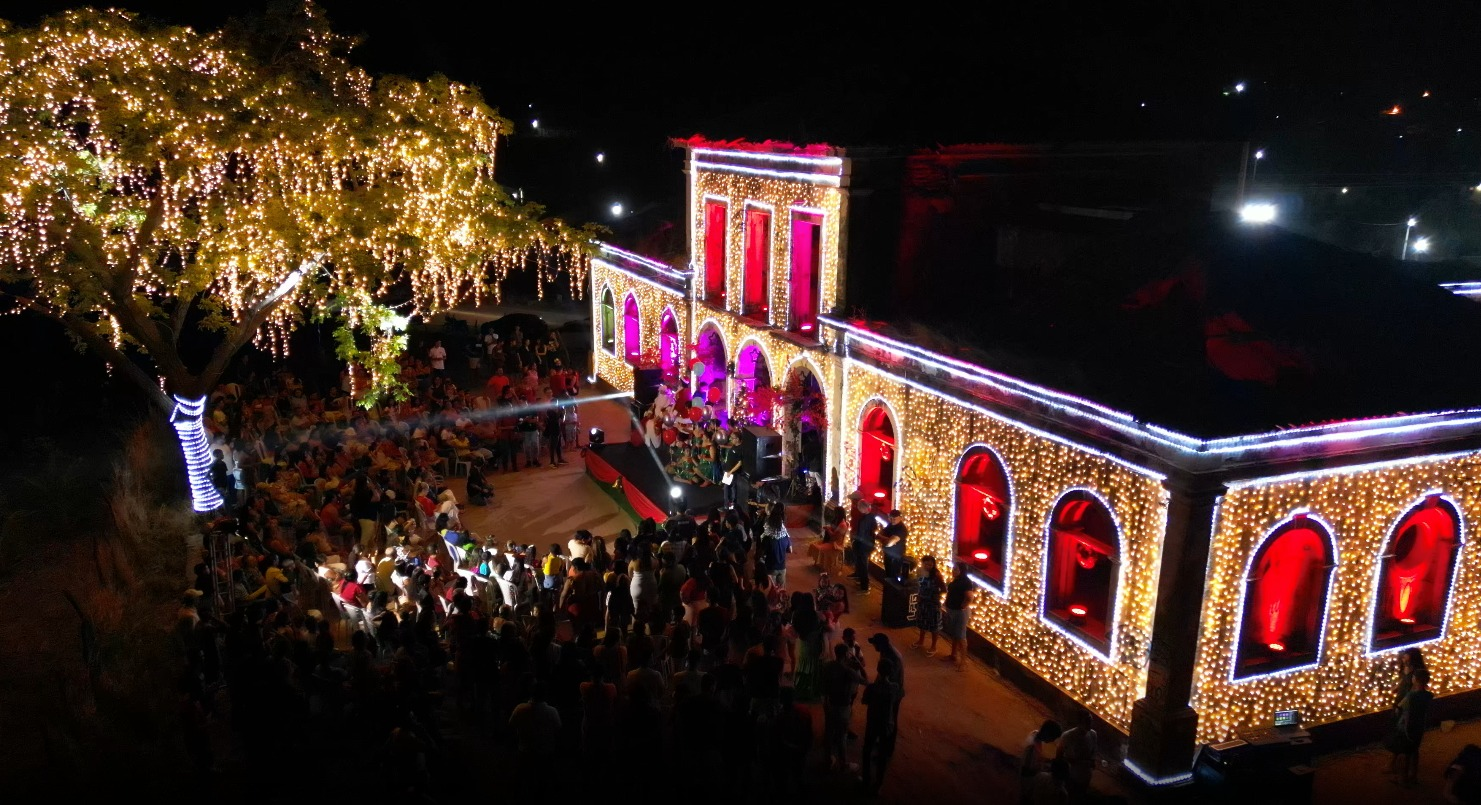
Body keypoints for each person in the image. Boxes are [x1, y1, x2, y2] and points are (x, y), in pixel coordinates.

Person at [822, 642, 867, 772]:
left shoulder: (827, 666)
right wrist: (859, 663)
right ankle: (843, 763)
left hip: (829, 703)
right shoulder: (848, 671)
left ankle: (828, 760)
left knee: (829, 733)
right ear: (846, 654)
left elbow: (823, 685)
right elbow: (866, 681)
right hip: (843, 706)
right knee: (842, 736)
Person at [860, 653, 900, 793]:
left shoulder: (872, 688)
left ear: (878, 670)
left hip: (873, 722)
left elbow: (864, 701)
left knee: (867, 750)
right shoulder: (894, 688)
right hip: (886, 724)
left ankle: (866, 780)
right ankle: (878, 784)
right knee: (882, 755)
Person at [1392, 668, 1434, 786]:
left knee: (1404, 753)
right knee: (1414, 750)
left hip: (1406, 727)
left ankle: (1402, 778)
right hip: (1419, 726)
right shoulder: (1428, 695)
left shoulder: (1411, 696)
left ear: (1415, 679)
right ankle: (1413, 776)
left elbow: (1399, 708)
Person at [1059, 707, 1097, 803]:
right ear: (1080, 722)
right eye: (1087, 721)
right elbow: (1059, 755)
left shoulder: (1093, 735)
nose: (1090, 724)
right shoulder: (1068, 736)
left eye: (1090, 721)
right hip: (1072, 776)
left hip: (1086, 777)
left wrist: (1091, 762)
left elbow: (1092, 753)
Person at [1021, 719, 1064, 803]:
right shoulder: (1032, 747)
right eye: (1053, 737)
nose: (1052, 741)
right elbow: (1025, 771)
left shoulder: (1035, 734)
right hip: (1028, 785)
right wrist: (1043, 773)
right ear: (1047, 733)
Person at [942, 563, 973, 669]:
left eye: (955, 569)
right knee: (955, 634)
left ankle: (963, 662)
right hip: (953, 610)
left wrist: (963, 606)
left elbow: (969, 597)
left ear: (961, 570)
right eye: (953, 569)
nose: (953, 571)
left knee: (961, 636)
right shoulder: (957, 580)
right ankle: (953, 655)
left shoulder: (965, 582)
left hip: (959, 612)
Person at [913, 554, 945, 656]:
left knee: (934, 625)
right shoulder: (921, 572)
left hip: (933, 604)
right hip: (923, 602)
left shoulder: (936, 575)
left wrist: (935, 595)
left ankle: (933, 646)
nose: (928, 566)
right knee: (922, 621)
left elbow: (944, 589)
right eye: (926, 564)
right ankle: (921, 640)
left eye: (930, 564)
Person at [851, 498, 878, 592]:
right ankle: (861, 579)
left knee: (863, 564)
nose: (859, 509)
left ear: (864, 508)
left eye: (860, 508)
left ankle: (864, 586)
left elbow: (866, 532)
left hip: (864, 544)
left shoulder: (868, 518)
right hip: (863, 543)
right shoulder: (868, 517)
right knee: (861, 562)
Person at [880, 509, 908, 582]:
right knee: (888, 575)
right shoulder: (890, 525)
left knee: (893, 578)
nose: (892, 520)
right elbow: (878, 535)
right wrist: (887, 539)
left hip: (895, 557)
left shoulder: (901, 529)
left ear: (900, 518)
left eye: (894, 519)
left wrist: (885, 540)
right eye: (891, 518)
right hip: (888, 555)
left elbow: (889, 543)